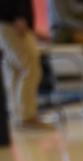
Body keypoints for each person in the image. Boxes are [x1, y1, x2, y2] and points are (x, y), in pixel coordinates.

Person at [0, 1, 54, 129]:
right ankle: (27, 117)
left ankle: (18, 115)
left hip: (7, 22)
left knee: (15, 71)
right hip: (12, 22)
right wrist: (18, 16)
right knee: (30, 69)